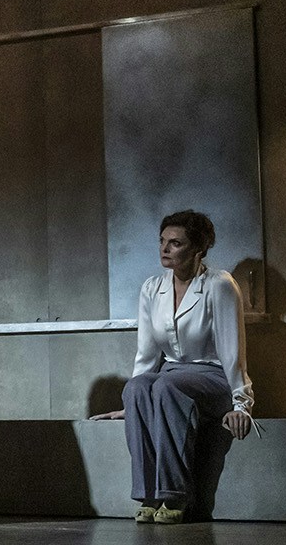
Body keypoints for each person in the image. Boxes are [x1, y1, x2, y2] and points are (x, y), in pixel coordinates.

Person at [92, 209, 255, 524]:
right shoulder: (152, 288)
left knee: (167, 385)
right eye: (162, 241)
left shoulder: (219, 285)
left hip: (213, 380)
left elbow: (233, 352)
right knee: (137, 386)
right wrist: (134, 404)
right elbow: (146, 355)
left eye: (175, 243)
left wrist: (241, 404)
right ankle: (149, 495)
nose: (165, 249)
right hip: (170, 380)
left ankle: (175, 494)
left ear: (198, 249)